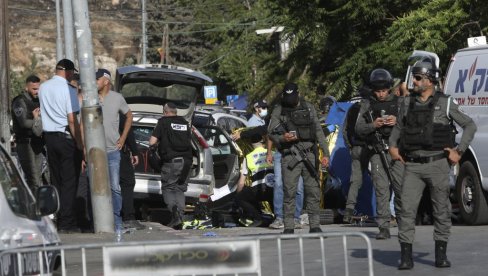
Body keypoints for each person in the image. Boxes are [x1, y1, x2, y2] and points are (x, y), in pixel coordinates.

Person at [389, 59, 477, 269]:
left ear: (430, 80)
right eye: (414, 77)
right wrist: (392, 147)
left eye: (419, 78)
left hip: (437, 164)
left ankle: (440, 254)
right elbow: (397, 129)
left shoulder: (445, 103)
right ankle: (406, 256)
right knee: (407, 210)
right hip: (412, 166)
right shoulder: (406, 103)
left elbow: (469, 125)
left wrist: (459, 151)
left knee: (441, 210)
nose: (415, 81)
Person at [268, 83, 330, 234]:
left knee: (313, 191)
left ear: (298, 94)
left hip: (309, 153)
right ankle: (289, 226)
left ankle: (315, 225)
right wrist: (283, 137)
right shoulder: (279, 110)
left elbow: (318, 130)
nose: (290, 100)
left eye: (293, 96)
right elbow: (270, 132)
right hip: (290, 155)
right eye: (287, 97)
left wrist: (326, 153)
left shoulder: (308, 107)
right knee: (289, 191)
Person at [355, 69, 405, 239]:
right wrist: (373, 125)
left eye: (384, 91)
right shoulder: (367, 105)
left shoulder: (400, 103)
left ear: (389, 89)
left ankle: (404, 223)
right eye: (378, 91)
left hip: (397, 151)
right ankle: (383, 226)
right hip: (377, 151)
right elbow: (358, 129)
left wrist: (397, 122)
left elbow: (413, 125)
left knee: (401, 187)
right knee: (381, 189)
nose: (381, 94)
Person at [39, 59, 83, 233]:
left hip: (49, 138)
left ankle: (56, 220)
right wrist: (80, 144)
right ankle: (67, 223)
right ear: (68, 72)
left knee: (56, 181)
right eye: (72, 73)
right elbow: (72, 119)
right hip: (66, 138)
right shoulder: (69, 89)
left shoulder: (43, 87)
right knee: (69, 182)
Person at [96, 68, 133, 232]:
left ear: (106, 81)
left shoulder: (117, 98)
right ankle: (97, 222)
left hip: (112, 151)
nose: (94, 82)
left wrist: (123, 138)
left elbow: (129, 116)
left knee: (115, 187)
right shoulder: (91, 98)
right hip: (95, 152)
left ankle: (117, 222)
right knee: (95, 187)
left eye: (97, 79)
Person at [149, 102, 192, 230]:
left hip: (172, 162)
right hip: (187, 162)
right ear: (176, 112)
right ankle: (179, 217)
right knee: (179, 189)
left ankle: (175, 213)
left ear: (165, 112)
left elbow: (152, 142)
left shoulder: (163, 122)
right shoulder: (184, 123)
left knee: (168, 188)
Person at [342, 86, 371, 223]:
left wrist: (350, 146)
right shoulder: (372, 107)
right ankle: (384, 212)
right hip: (371, 148)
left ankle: (348, 211)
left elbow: (345, 130)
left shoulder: (352, 109)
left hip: (356, 149)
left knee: (355, 181)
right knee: (380, 180)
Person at [11, 75, 44, 191]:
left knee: (39, 177)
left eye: (38, 88)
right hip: (26, 144)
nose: (37, 91)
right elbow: (24, 123)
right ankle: (34, 206)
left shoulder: (40, 100)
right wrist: (39, 122)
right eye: (34, 89)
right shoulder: (19, 101)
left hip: (38, 143)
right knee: (33, 179)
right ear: (26, 88)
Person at [235, 134, 274, 227]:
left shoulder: (248, 157)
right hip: (274, 190)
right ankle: (278, 218)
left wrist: (237, 195)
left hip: (258, 190)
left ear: (252, 144)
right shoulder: (273, 153)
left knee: (241, 197)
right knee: (275, 196)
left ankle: (258, 218)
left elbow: (241, 182)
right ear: (263, 143)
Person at [119, 114, 144, 230]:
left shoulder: (98, 110)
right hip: (119, 153)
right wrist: (135, 152)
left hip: (99, 153)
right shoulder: (121, 114)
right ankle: (128, 217)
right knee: (127, 183)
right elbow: (128, 133)